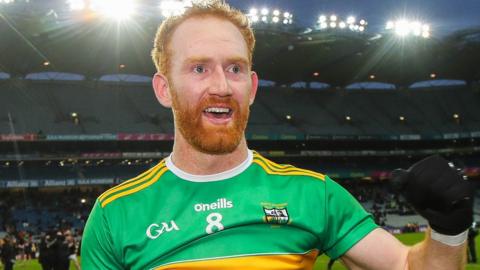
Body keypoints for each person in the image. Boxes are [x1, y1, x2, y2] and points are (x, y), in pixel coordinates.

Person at [81, 1, 473, 269]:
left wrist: (449, 230)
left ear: (251, 87)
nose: (221, 85)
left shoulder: (314, 195)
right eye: (199, 68)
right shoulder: (115, 214)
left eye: (234, 69)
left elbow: (404, 265)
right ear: (164, 89)